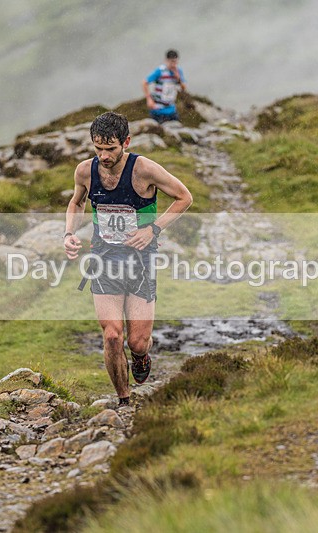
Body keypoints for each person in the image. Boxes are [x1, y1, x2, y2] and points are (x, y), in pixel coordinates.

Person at [64, 112, 193, 407]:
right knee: (111, 336)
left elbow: (184, 197)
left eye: (110, 149)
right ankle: (124, 400)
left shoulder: (144, 169)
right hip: (103, 259)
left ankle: (141, 355)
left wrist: (154, 229)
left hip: (140, 262)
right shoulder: (85, 171)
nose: (104, 156)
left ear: (126, 142)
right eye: (98, 148)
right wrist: (69, 233)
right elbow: (77, 201)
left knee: (136, 341)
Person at [142, 49, 187, 123]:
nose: (173, 65)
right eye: (171, 62)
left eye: (175, 62)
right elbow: (144, 83)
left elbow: (184, 88)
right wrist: (149, 99)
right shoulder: (160, 71)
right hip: (158, 110)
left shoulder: (178, 71)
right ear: (166, 61)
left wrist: (178, 79)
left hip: (171, 109)